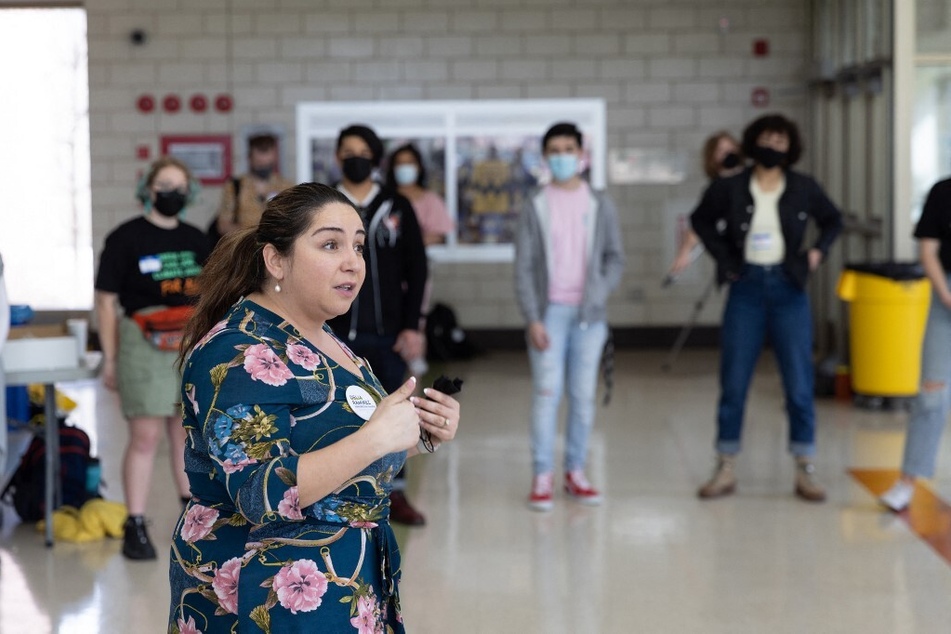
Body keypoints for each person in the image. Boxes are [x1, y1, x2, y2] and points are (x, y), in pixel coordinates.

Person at [167, 182, 460, 632]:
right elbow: (259, 494)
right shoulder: (238, 352)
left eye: (359, 247)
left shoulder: (322, 338)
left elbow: (337, 445)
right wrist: (375, 437)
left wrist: (418, 435)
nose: (352, 262)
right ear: (276, 259)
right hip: (262, 591)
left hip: (341, 580)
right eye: (330, 244)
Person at [690, 113, 843, 502]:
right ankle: (725, 465)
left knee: (798, 382)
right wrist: (725, 260)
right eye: (767, 139)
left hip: (788, 287)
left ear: (791, 148)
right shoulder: (732, 188)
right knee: (735, 380)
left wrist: (816, 253)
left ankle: (804, 467)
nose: (773, 147)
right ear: (752, 142)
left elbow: (833, 220)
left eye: (781, 141)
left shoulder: (803, 188)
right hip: (747, 287)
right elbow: (701, 220)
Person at [94, 156, 210, 559]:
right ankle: (136, 523)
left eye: (179, 186)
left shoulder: (198, 240)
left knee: (184, 434)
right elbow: (106, 302)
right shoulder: (125, 238)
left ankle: (190, 519)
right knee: (144, 437)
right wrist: (110, 359)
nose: (171, 193)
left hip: (188, 341)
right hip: (141, 343)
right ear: (148, 189)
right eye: (164, 185)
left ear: (190, 192)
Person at [515, 121, 626, 511]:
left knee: (582, 398)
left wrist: (599, 291)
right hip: (548, 316)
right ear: (546, 158)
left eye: (569, 149)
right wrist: (533, 317)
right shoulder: (535, 205)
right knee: (547, 395)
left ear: (582, 155)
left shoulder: (600, 203)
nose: (562, 156)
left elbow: (615, 258)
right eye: (555, 150)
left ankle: (575, 472)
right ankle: (542, 474)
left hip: (589, 318)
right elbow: (525, 266)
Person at [326, 125, 431, 526]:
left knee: (394, 413)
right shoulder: (326, 205)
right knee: (337, 412)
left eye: (363, 152)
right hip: (335, 332)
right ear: (337, 158)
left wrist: (413, 326)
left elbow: (417, 269)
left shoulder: (396, 206)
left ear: (376, 158)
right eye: (348, 151)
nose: (355, 158)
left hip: (388, 333)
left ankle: (395, 495)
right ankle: (340, 491)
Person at [879, 177, 951, 512]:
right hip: (946, 295)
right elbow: (928, 251)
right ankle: (907, 480)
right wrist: (947, 296)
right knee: (932, 394)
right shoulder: (943, 192)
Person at [666, 131, 744, 280]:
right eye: (721, 151)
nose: (728, 153)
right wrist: (684, 253)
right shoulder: (717, 189)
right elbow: (701, 222)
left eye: (730, 148)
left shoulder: (751, 181)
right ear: (713, 158)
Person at [211, 133, 294, 243]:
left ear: (274, 159)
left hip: (277, 246)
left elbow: (294, 221)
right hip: (245, 245)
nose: (264, 167)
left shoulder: (286, 187)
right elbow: (223, 225)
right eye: (259, 163)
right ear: (250, 159)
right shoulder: (235, 186)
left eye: (268, 163)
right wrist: (254, 235)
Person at [386, 143, 455, 246]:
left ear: (419, 167)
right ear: (392, 169)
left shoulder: (432, 201)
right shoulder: (384, 200)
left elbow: (438, 235)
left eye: (409, 162)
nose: (404, 167)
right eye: (400, 163)